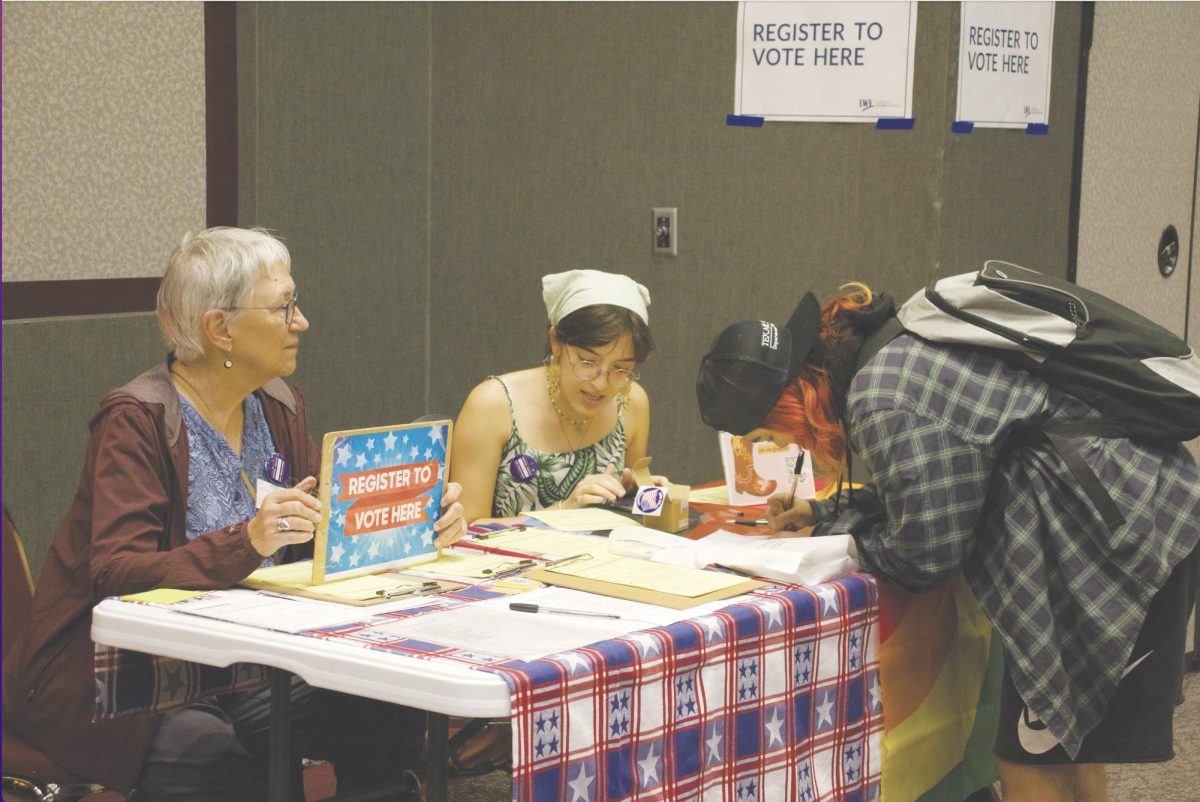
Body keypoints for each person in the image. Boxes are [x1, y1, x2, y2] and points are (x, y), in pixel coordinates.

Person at [3, 227, 467, 800]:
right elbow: (115, 572)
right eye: (284, 307)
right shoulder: (137, 420)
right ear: (219, 328)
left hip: (244, 665)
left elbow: (325, 521)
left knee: (384, 706)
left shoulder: (277, 404)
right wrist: (246, 540)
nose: (302, 322)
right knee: (219, 760)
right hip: (125, 681)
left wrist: (418, 513)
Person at [696, 282, 1200, 802]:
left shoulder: (880, 397)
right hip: (1140, 507)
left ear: (793, 404)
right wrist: (826, 512)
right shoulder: (896, 351)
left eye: (775, 434)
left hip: (1110, 544)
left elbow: (925, 554)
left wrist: (835, 539)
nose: (790, 447)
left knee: (1025, 754)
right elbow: (946, 481)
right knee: (1071, 746)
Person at [451, 269, 657, 523]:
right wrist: (563, 510)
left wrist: (639, 496)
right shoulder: (494, 404)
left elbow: (630, 515)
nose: (601, 383)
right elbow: (466, 528)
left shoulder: (631, 402)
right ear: (556, 341)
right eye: (587, 361)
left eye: (621, 368)